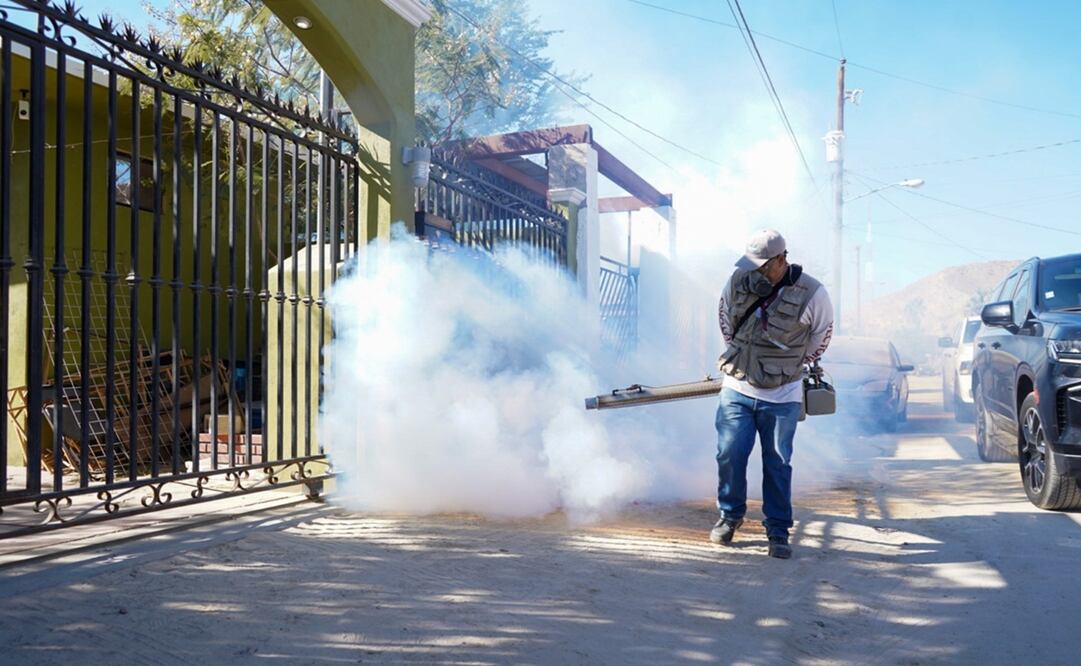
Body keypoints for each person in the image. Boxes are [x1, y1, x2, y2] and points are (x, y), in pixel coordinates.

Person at [712, 229, 833, 559]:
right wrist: (747, 360)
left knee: (778, 461)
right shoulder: (737, 280)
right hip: (737, 386)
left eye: (763, 265)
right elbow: (725, 320)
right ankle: (730, 515)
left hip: (783, 393)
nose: (756, 271)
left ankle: (778, 530)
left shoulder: (813, 293)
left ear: (781, 260)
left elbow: (821, 337)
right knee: (729, 453)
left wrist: (786, 364)